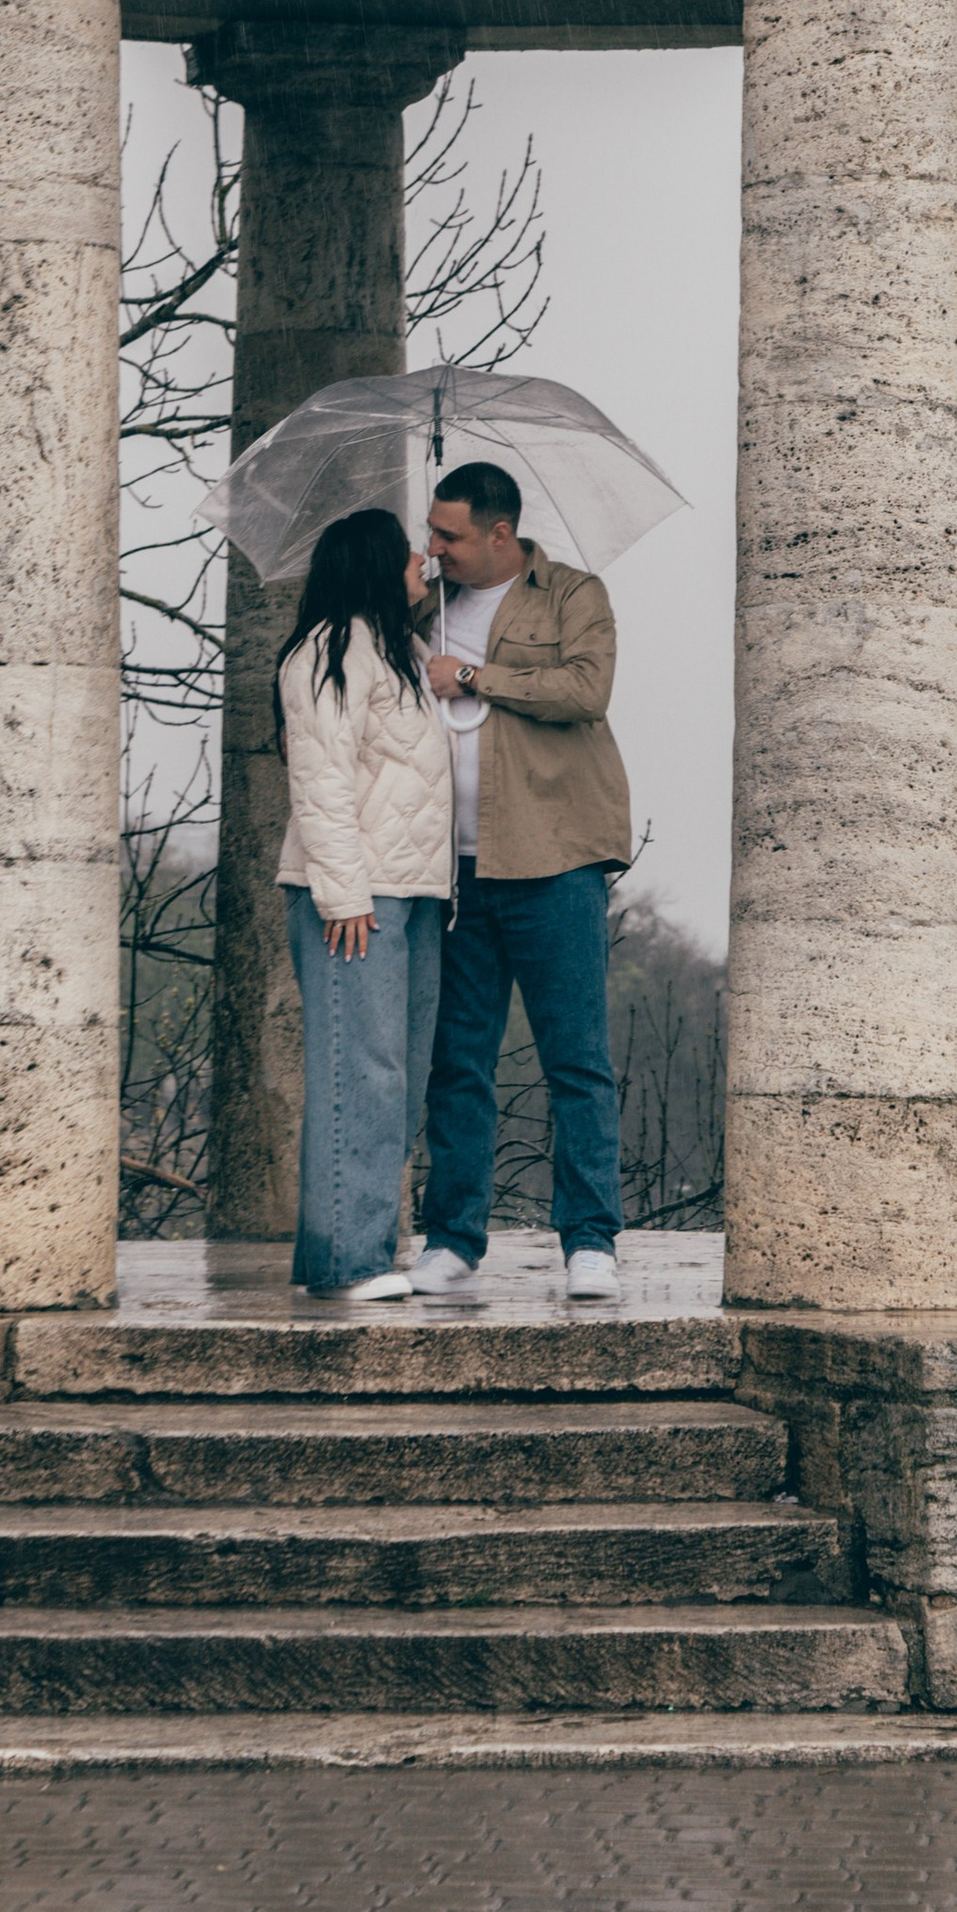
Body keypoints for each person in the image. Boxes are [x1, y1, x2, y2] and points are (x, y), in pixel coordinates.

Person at [411, 460, 631, 1305]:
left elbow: (586, 688)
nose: (435, 547)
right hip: (452, 868)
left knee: (575, 1058)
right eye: (432, 532)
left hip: (555, 858)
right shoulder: (426, 606)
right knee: (457, 1060)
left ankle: (589, 1241)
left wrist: (470, 676)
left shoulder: (574, 594)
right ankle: (451, 1239)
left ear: (500, 533)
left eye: (450, 535)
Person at [274, 505, 454, 1301]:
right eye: (413, 555)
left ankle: (342, 1253)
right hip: (357, 895)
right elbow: (321, 782)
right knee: (363, 1075)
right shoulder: (329, 649)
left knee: (399, 1074)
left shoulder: (400, 649)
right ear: (376, 564)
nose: (426, 564)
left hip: (411, 892)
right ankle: (355, 1262)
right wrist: (342, 893)